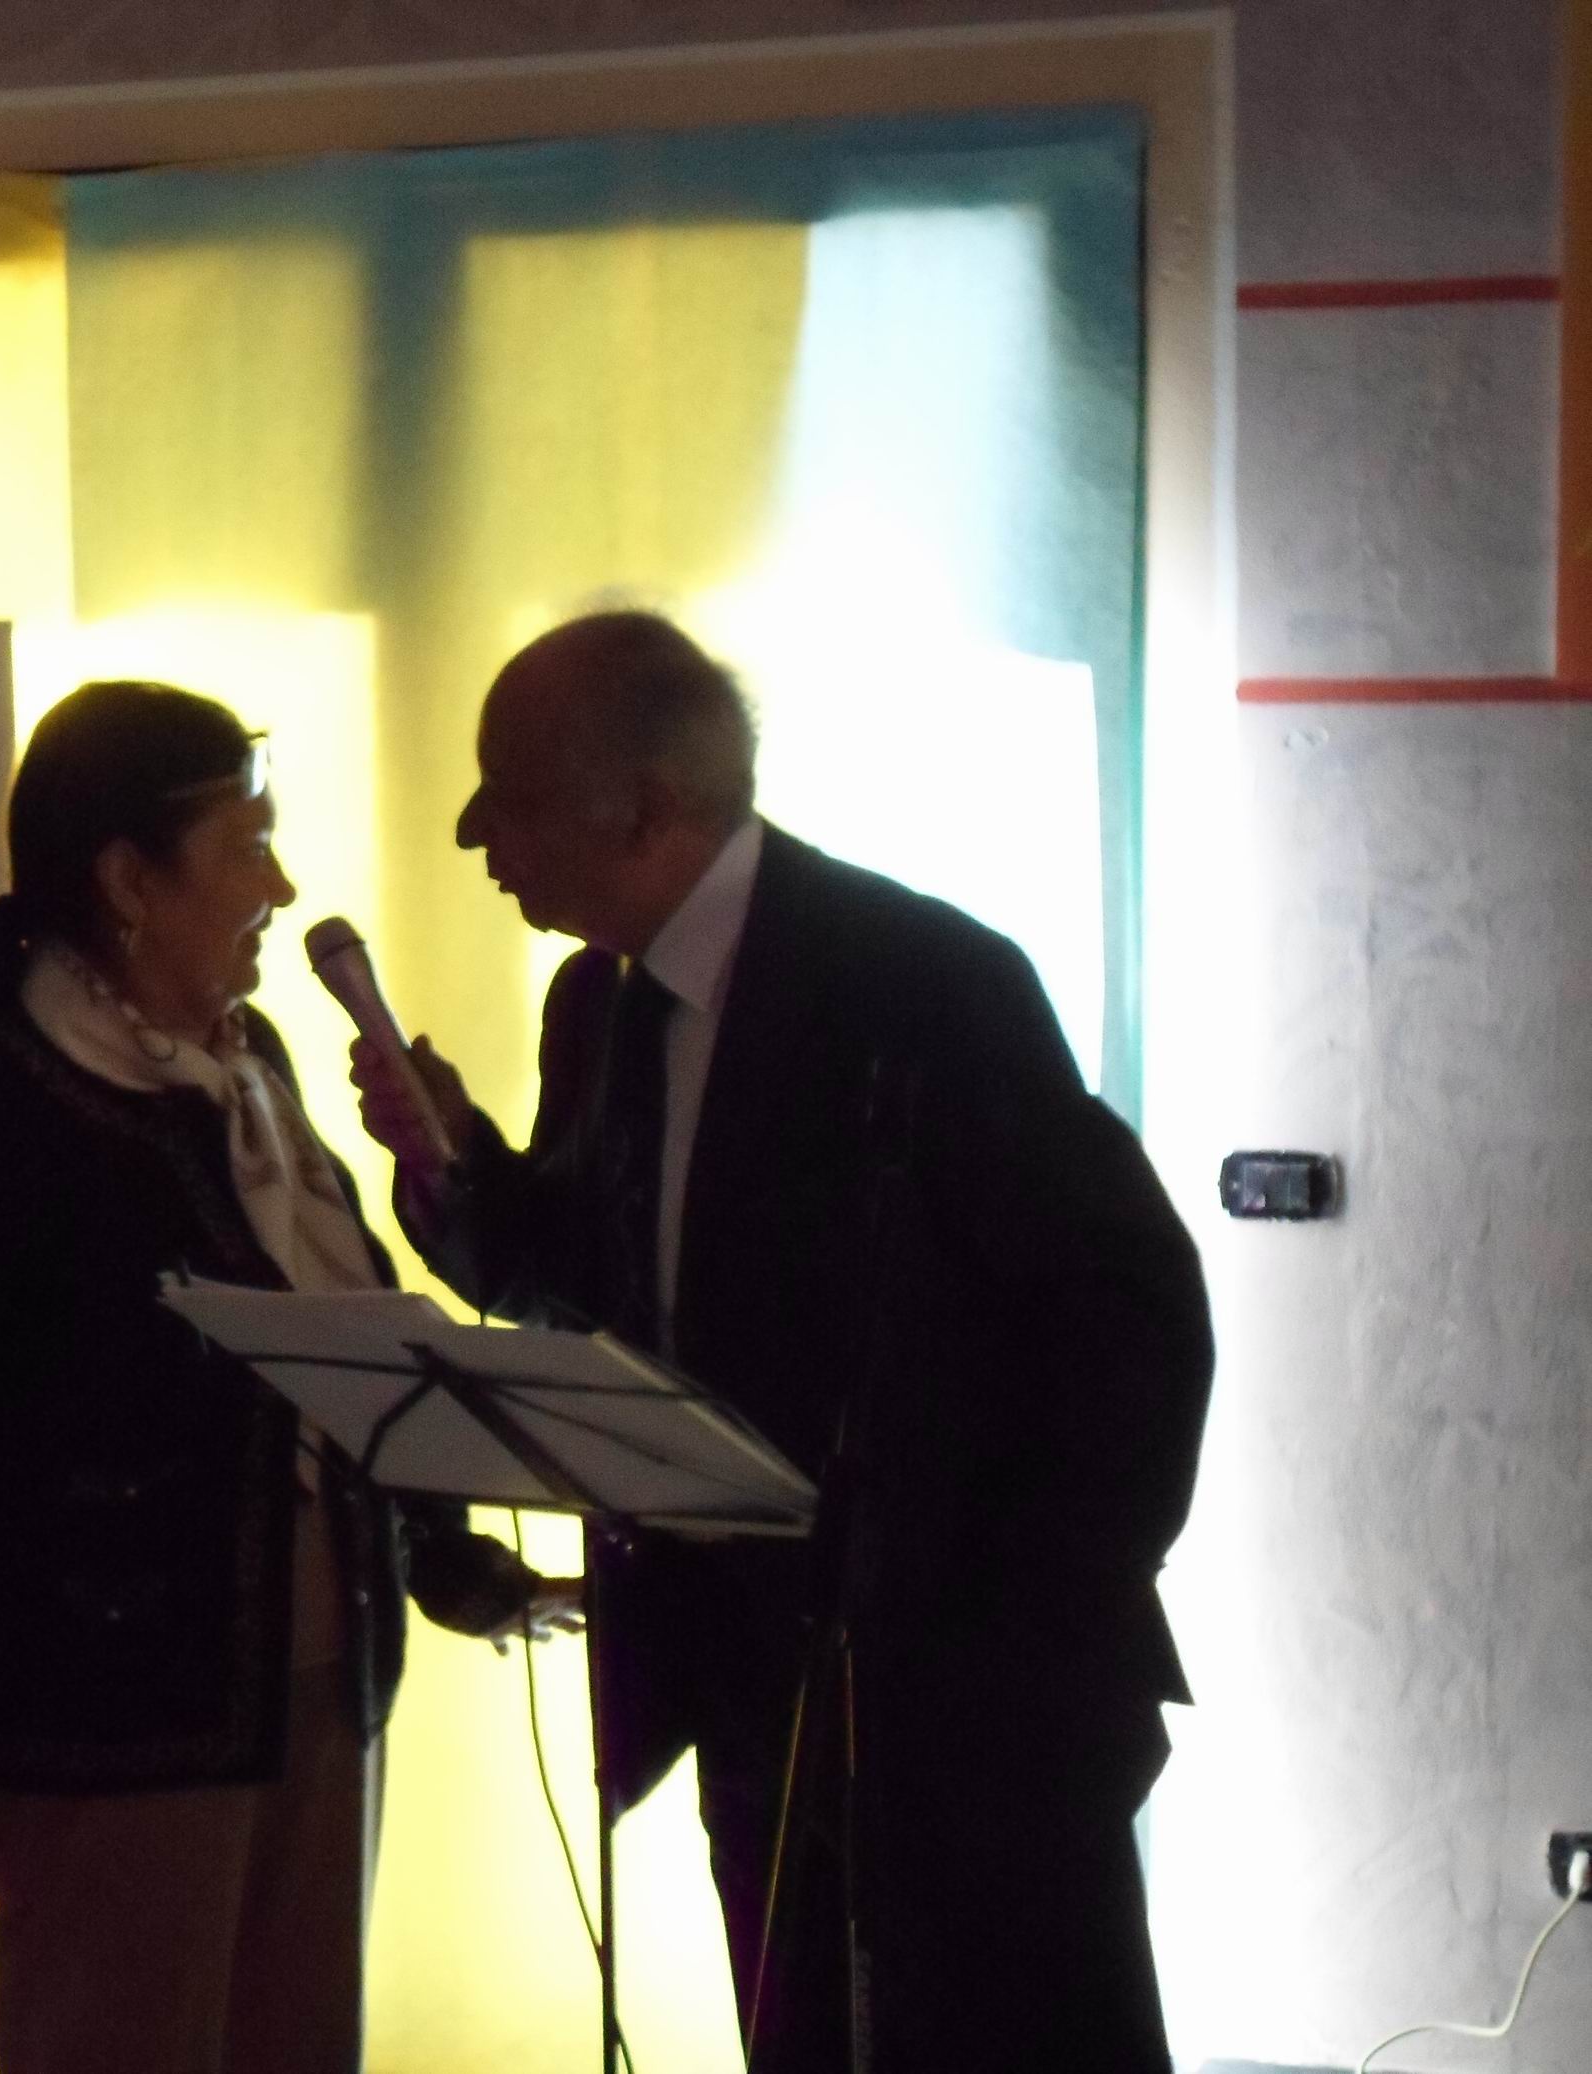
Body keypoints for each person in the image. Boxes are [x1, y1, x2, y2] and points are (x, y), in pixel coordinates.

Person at [348, 610, 1214, 2072]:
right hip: (757, 1687)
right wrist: (457, 1170)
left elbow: (1130, 1319)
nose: (472, 832)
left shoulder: (922, 982)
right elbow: (596, 1288)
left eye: (513, 791)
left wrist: (1010, 1610)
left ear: (645, 809)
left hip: (974, 1704)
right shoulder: (597, 1005)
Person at [0, 680, 575, 2074]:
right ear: (126, 879)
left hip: (317, 1683)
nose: (283, 888)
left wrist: (448, 1552)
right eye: (248, 848)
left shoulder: (249, 1060)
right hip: (103, 1716)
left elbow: (342, 1347)